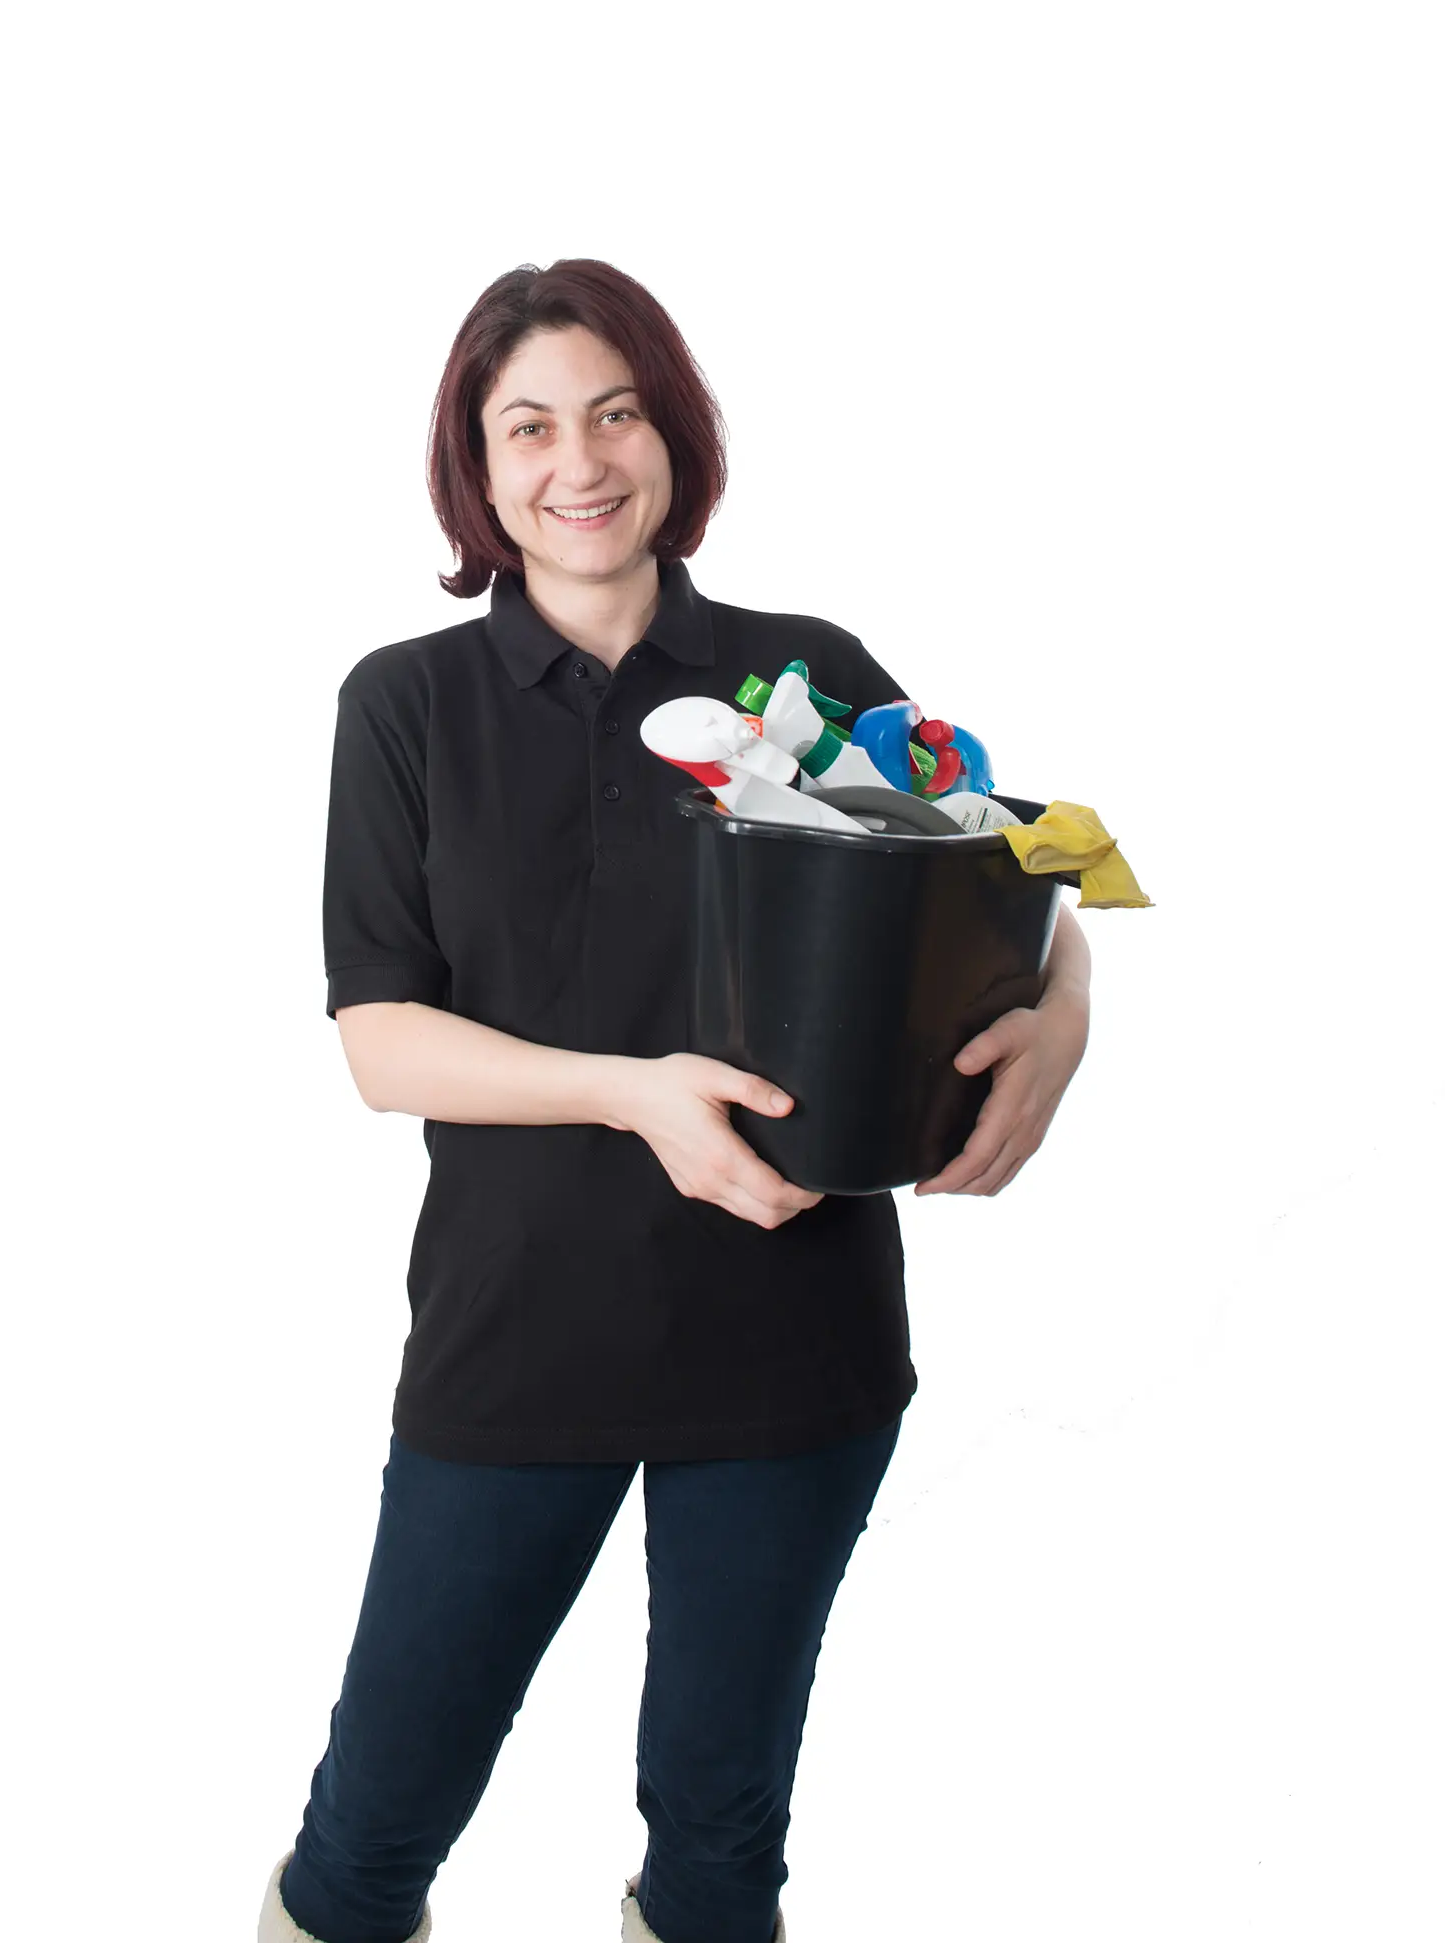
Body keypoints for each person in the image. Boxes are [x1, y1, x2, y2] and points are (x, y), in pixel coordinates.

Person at [257, 259, 1093, 1943]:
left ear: (673, 434)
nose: (582, 461)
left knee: (721, 1851)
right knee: (371, 1834)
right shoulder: (407, 705)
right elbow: (380, 1040)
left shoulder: (808, 672)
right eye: (531, 426)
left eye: (617, 411)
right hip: (516, 1336)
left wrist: (1065, 1019)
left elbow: (1017, 869)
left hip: (793, 1344)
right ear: (478, 472)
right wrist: (636, 1095)